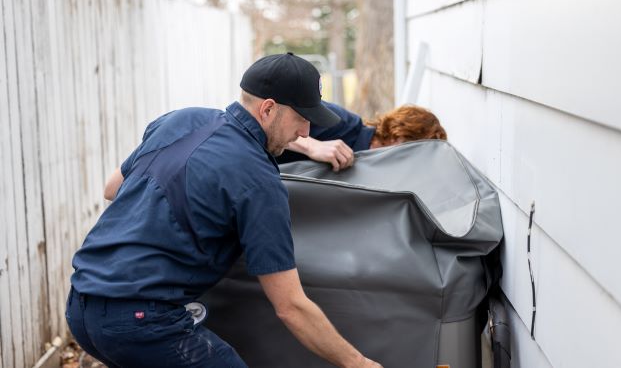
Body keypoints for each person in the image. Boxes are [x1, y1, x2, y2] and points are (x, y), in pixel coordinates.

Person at [66, 53, 383, 368]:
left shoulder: (182, 119)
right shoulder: (259, 180)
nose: (305, 132)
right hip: (140, 322)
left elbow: (112, 187)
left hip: (81, 306)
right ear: (268, 109)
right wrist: (360, 363)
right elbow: (291, 306)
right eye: (302, 117)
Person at [276, 101, 447, 171]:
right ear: (398, 134)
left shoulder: (380, 171)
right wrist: (312, 146)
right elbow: (269, 117)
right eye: (412, 151)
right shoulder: (341, 122)